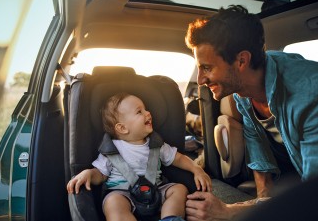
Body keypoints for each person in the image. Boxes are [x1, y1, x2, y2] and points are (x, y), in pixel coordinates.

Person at [184, 4, 318, 221]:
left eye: (207, 68)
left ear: (242, 61)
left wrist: (229, 212)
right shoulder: (242, 91)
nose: (200, 80)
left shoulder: (316, 94)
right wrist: (262, 200)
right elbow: (257, 146)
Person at [67, 93, 212, 221]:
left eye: (145, 109)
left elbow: (179, 158)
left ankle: (170, 218)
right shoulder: (112, 150)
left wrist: (196, 169)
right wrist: (88, 174)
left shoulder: (157, 145)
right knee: (113, 203)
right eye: (139, 112)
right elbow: (100, 174)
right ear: (122, 128)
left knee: (179, 189)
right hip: (123, 193)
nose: (148, 113)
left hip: (157, 190)